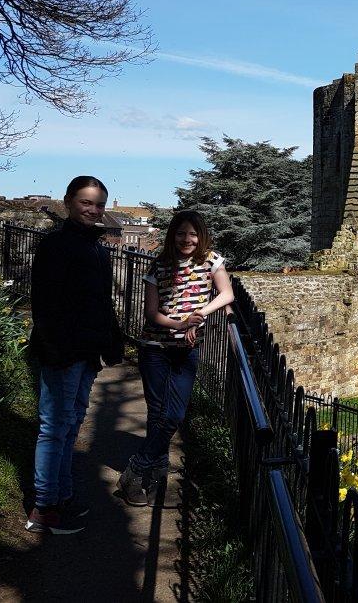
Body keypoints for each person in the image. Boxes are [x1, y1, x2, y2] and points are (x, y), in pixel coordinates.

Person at [26, 176, 125, 534]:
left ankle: (62, 497)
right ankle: (45, 508)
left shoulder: (97, 248)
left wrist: (110, 342)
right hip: (63, 352)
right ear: (68, 201)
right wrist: (56, 350)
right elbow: (46, 305)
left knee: (70, 426)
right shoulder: (56, 245)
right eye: (86, 202)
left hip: (86, 352)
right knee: (54, 428)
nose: (93, 210)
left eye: (99, 204)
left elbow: (99, 303)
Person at [117, 210, 233, 505]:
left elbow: (226, 294)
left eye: (193, 234)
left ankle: (138, 466)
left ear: (201, 235)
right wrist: (179, 325)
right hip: (154, 348)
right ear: (173, 235)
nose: (187, 239)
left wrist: (199, 315)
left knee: (174, 414)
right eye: (181, 233)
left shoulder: (211, 261)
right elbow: (152, 313)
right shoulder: (159, 266)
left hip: (187, 351)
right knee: (157, 413)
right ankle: (150, 476)